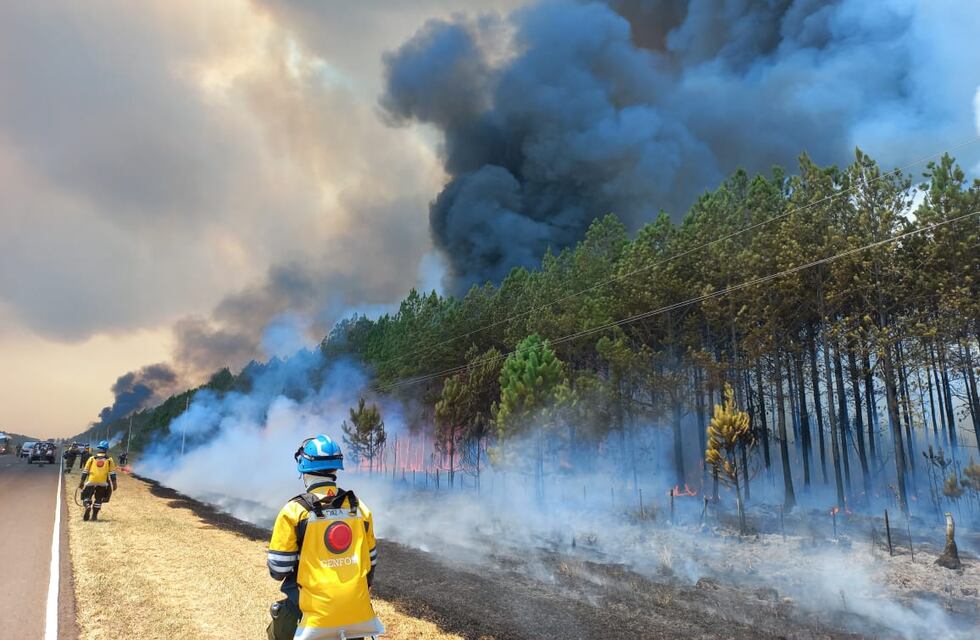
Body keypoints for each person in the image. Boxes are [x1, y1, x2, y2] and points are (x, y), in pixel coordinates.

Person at [266, 435, 383, 640]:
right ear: (336, 468)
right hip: (357, 616)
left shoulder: (294, 511)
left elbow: (278, 568)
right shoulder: (360, 508)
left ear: (303, 468)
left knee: (278, 629)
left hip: (311, 620)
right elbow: (371, 562)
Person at [78, 440, 117, 521]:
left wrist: (81, 482)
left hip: (91, 481)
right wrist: (114, 483)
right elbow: (112, 473)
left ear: (99, 448)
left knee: (86, 496)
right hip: (103, 483)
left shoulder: (91, 459)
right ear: (106, 449)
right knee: (99, 498)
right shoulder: (109, 460)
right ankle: (94, 516)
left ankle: (88, 506)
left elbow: (85, 471)